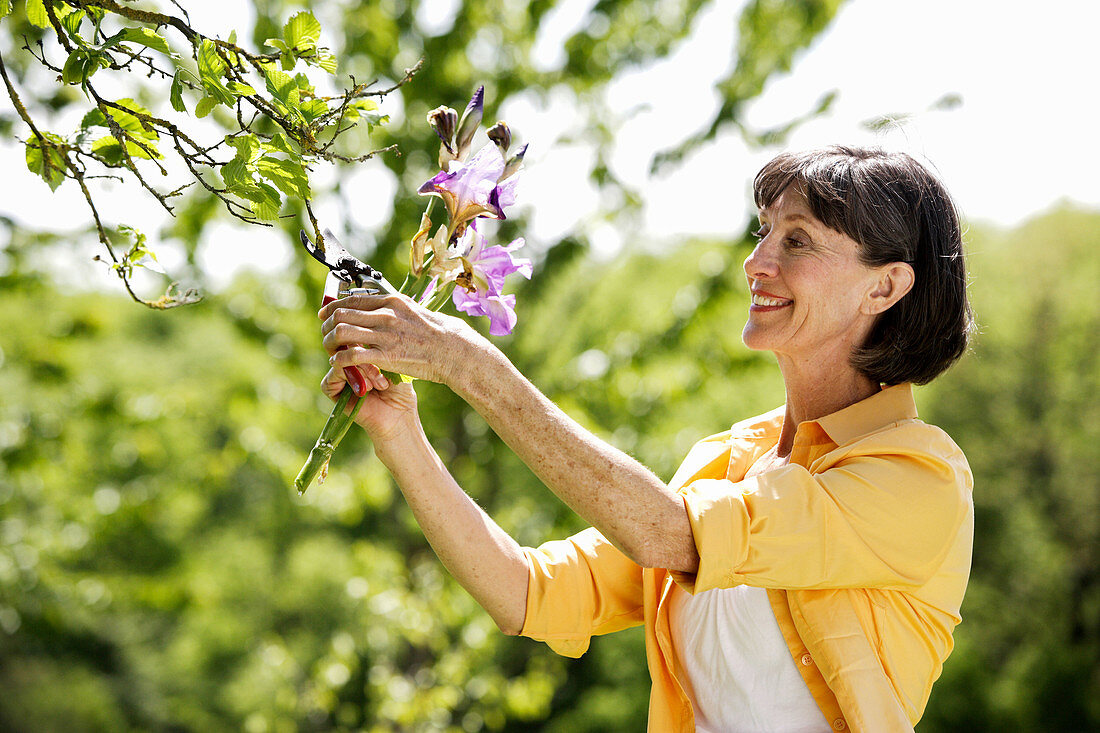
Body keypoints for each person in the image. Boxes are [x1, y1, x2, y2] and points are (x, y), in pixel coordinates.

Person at [317, 145, 975, 732]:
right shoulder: (726, 461)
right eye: (764, 231)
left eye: (797, 241)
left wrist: (468, 364)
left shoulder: (920, 477)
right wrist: (398, 429)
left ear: (884, 286)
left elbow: (670, 534)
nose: (756, 262)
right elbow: (526, 591)